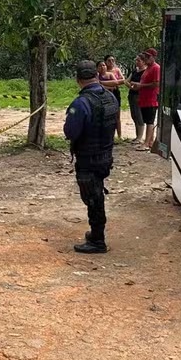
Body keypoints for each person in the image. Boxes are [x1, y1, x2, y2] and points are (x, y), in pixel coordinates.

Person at [64, 60, 119, 254]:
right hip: (106, 155)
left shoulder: (81, 103)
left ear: (78, 79)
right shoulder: (111, 98)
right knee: (96, 194)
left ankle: (97, 240)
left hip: (88, 157)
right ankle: (96, 233)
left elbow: (70, 131)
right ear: (96, 75)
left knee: (93, 198)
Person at [130, 49, 160, 151]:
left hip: (151, 99)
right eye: (145, 56)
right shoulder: (148, 68)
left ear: (153, 57)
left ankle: (146, 144)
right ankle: (149, 142)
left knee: (150, 122)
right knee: (147, 120)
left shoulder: (156, 68)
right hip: (144, 99)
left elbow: (156, 84)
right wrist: (138, 87)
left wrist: (141, 85)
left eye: (148, 57)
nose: (146, 59)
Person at [101, 54, 126, 139]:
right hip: (105, 94)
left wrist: (106, 83)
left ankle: (119, 135)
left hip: (115, 93)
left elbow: (122, 81)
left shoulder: (117, 70)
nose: (111, 62)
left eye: (113, 60)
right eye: (109, 60)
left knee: (117, 115)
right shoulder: (102, 71)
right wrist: (112, 84)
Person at [127, 55, 146, 142]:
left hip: (139, 95)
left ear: (143, 61)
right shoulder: (135, 70)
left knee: (139, 115)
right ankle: (137, 135)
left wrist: (133, 84)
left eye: (139, 60)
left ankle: (140, 137)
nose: (137, 62)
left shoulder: (145, 72)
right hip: (131, 94)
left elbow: (140, 84)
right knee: (133, 115)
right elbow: (127, 81)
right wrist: (131, 86)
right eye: (136, 60)